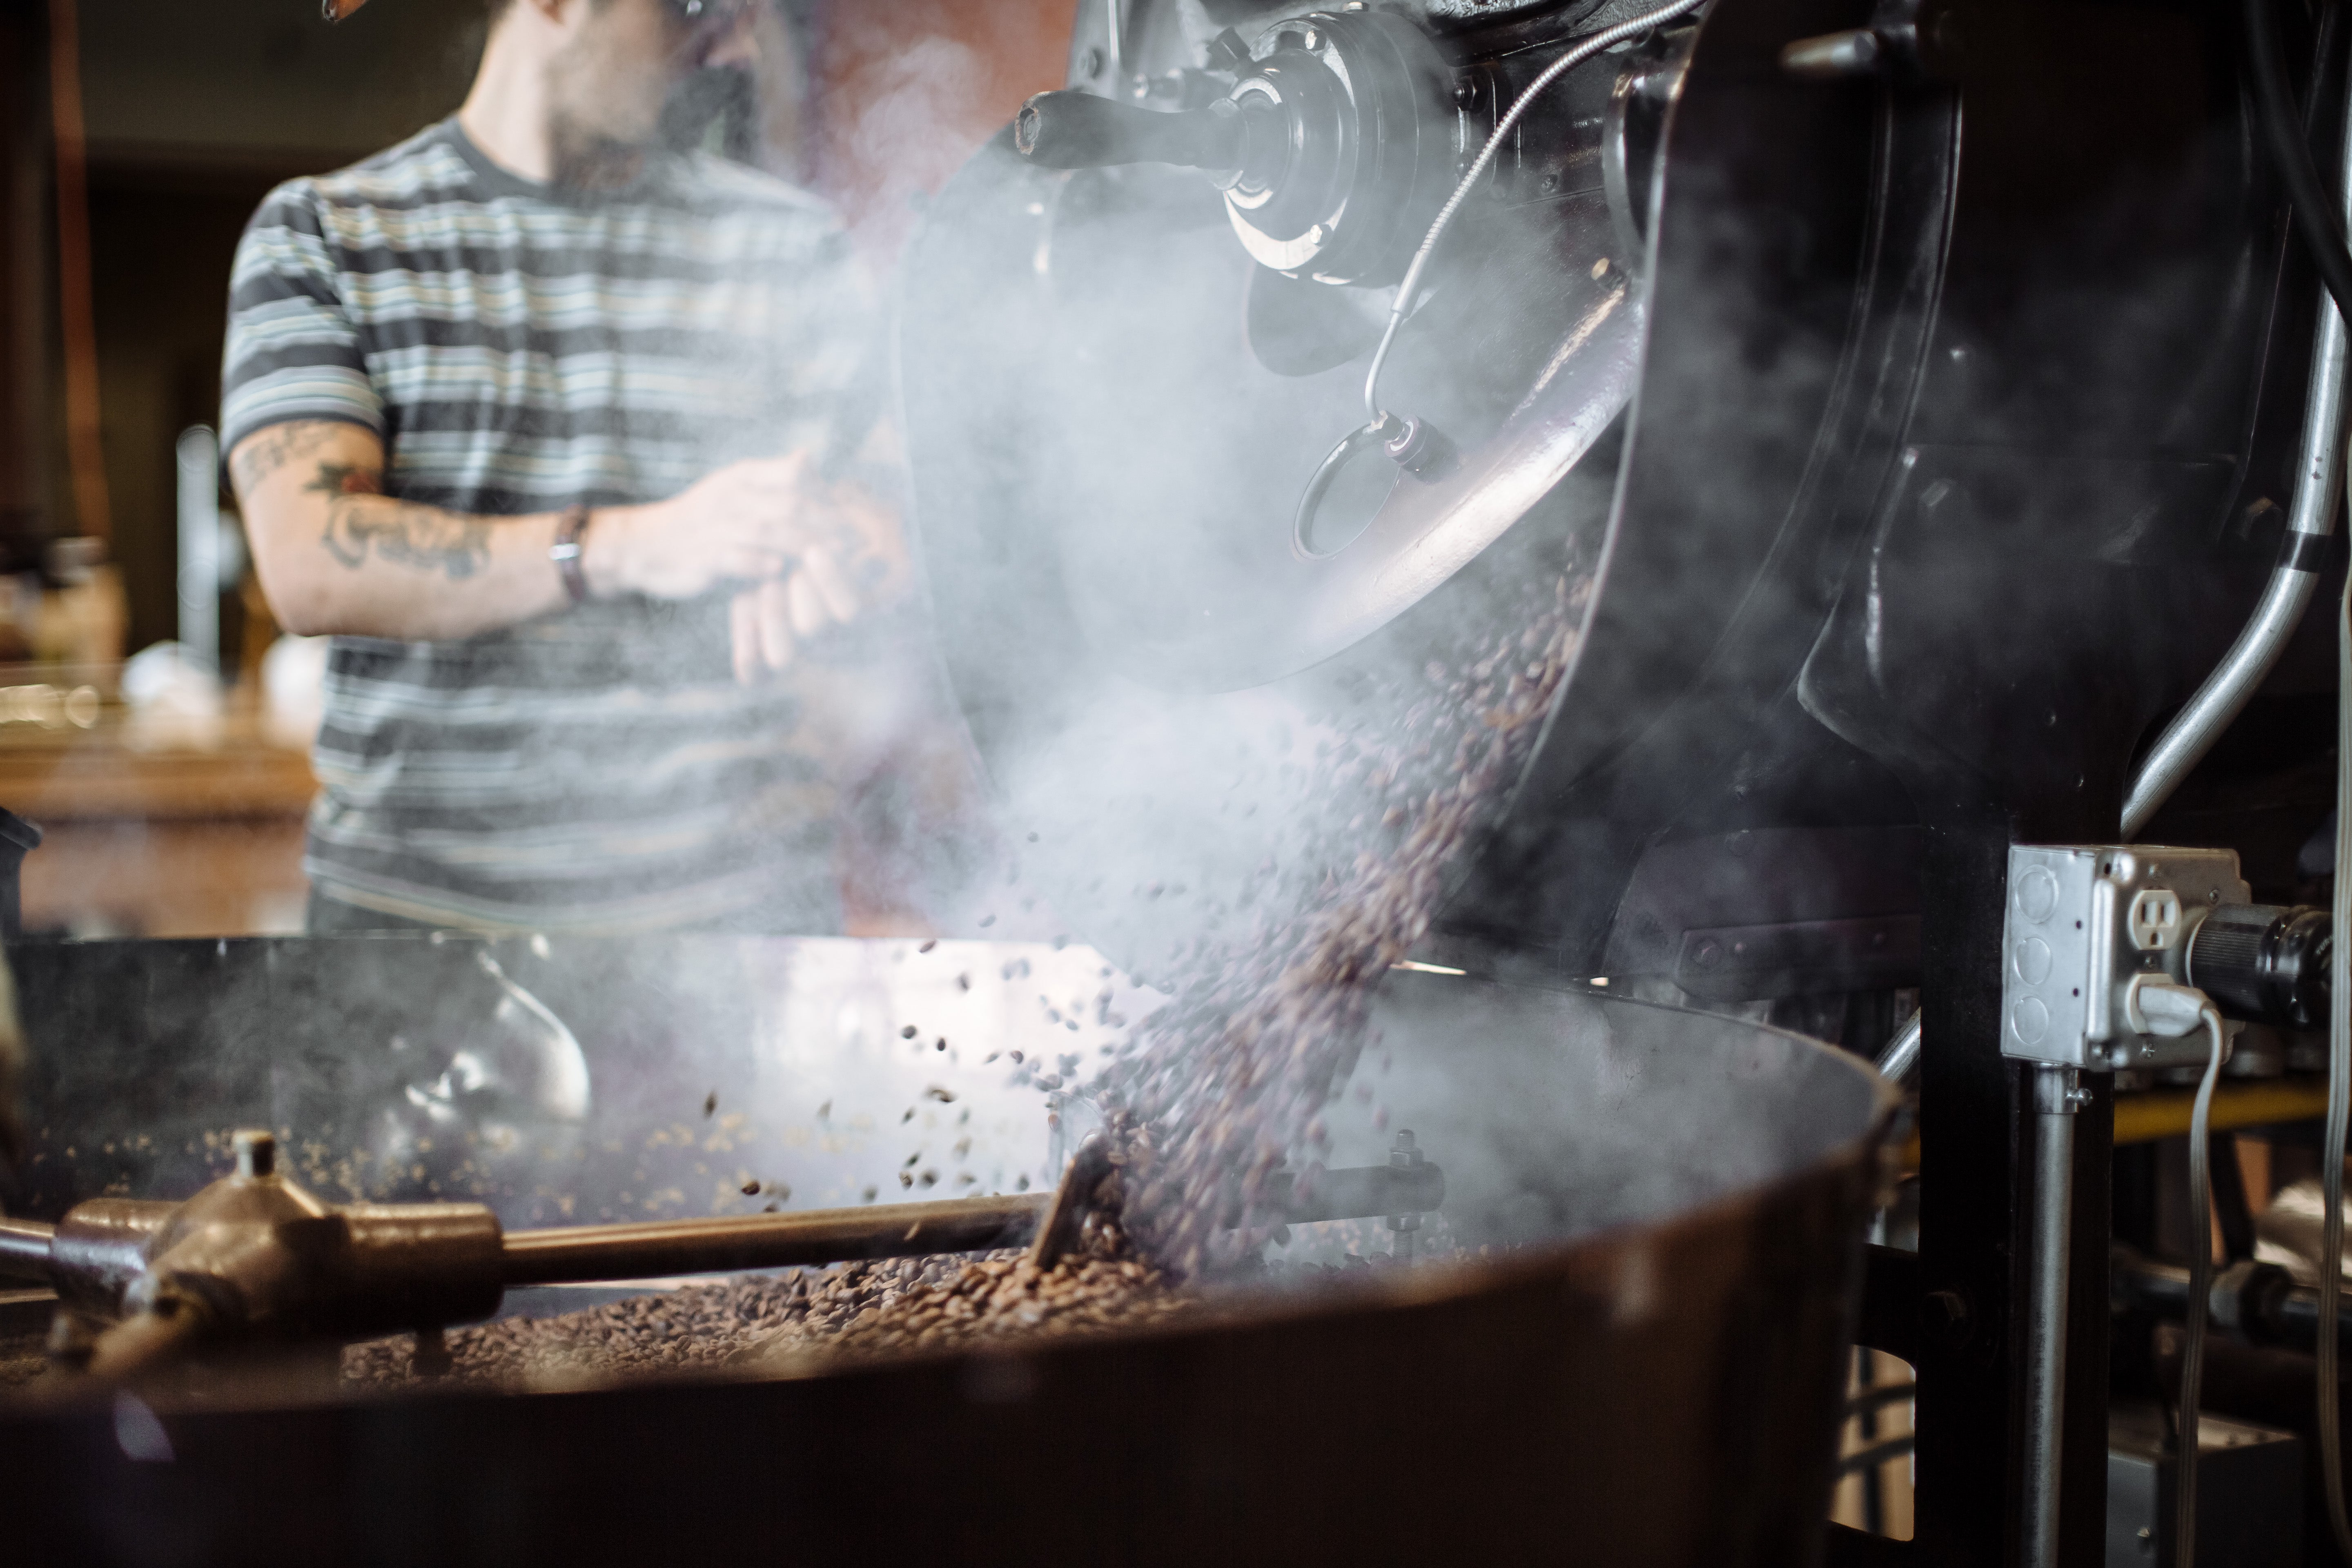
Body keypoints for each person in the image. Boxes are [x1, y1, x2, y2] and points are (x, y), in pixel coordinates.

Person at [222, 0, 918, 935]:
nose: (737, 45)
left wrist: (842, 544)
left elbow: (898, 522)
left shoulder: (793, 248)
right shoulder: (325, 236)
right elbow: (311, 563)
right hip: (418, 928)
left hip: (738, 920)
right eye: (695, 9)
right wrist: (633, 546)